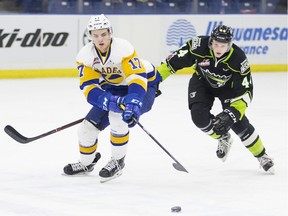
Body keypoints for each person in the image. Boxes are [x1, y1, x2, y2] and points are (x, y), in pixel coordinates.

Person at [157, 24, 274, 173]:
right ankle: (223, 137)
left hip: (229, 89)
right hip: (202, 82)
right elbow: (171, 63)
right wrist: (154, 81)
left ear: (229, 45)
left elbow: (246, 92)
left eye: (223, 45)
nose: (218, 49)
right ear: (211, 41)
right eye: (216, 44)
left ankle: (262, 156)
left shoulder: (238, 59)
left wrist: (232, 114)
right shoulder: (197, 46)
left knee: (238, 123)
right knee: (199, 118)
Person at [63, 14, 162, 183]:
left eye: (103, 34)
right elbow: (89, 87)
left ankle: (118, 161)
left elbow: (136, 78)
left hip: (144, 85)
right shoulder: (85, 56)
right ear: (90, 36)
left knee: (118, 117)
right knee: (86, 129)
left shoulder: (123, 48)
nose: (100, 39)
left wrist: (133, 102)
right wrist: (106, 100)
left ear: (110, 33)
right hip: (114, 87)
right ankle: (86, 163)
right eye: (95, 35)